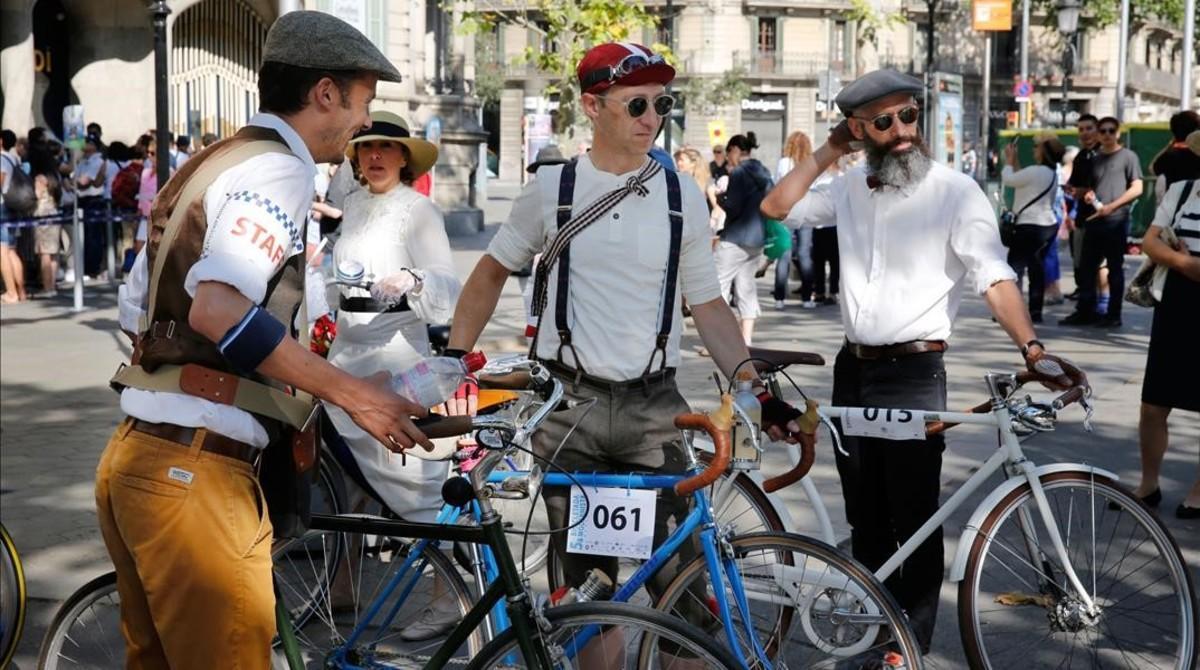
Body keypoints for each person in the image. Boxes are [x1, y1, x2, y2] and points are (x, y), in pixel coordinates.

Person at [97, 12, 425, 668]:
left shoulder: (216, 160)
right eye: (363, 104)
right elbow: (218, 310)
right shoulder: (280, 169)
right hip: (197, 474)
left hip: (140, 459)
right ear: (325, 94)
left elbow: (138, 303)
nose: (365, 123)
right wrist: (354, 394)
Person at [445, 41, 810, 617]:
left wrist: (752, 387)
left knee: (684, 592)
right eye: (637, 106)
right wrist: (455, 357)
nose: (653, 120)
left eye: (662, 105)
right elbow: (490, 272)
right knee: (588, 596)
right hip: (572, 410)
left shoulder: (680, 195)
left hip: (653, 411)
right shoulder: (551, 190)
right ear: (593, 107)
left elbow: (710, 304)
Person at [761, 68, 1081, 661]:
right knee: (866, 516)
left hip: (913, 373)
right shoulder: (852, 185)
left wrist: (1032, 349)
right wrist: (830, 149)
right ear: (859, 129)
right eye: (883, 122)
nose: (903, 130)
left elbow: (993, 275)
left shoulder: (956, 192)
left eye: (909, 115)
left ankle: (906, 646)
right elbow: (777, 206)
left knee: (916, 516)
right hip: (852, 371)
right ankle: (874, 621)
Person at [326, 110, 456, 521]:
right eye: (367, 147)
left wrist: (413, 278)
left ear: (403, 157)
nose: (375, 156)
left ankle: (444, 582)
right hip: (344, 358)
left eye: (386, 147)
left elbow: (449, 286)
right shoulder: (353, 204)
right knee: (342, 485)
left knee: (417, 483)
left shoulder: (419, 210)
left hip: (396, 358)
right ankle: (343, 586)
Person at [1131, 130, 1200, 519]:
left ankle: (1199, 491)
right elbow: (1151, 242)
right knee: (1153, 404)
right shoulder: (1185, 190)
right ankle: (1148, 484)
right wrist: (1186, 264)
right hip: (1175, 306)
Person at [1060, 117, 1143, 328]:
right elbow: (1087, 189)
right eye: (1103, 131)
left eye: (1111, 130)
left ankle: (1113, 314)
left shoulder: (1128, 156)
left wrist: (1113, 206)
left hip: (1116, 221)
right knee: (1086, 268)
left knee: (1114, 268)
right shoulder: (1093, 159)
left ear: (1118, 133)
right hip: (1093, 221)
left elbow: (1137, 188)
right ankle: (1087, 310)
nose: (1106, 135)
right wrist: (1084, 194)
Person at [1001, 135, 1066, 323]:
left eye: (1036, 146)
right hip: (1047, 225)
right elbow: (1023, 178)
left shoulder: (1036, 172)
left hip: (1028, 226)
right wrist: (1016, 162)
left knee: (1015, 268)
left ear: (1044, 151)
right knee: (1037, 268)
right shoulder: (1051, 173)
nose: (1033, 149)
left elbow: (1009, 179)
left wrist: (1009, 161)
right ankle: (1035, 312)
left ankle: (1013, 311)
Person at [715, 132, 772, 344]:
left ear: (735, 151)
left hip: (735, 237)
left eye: (729, 153)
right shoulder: (763, 171)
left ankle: (720, 340)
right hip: (757, 238)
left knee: (719, 286)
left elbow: (733, 206)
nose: (729, 158)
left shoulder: (739, 172)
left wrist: (719, 198)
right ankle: (745, 340)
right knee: (746, 288)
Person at [773, 130, 813, 310]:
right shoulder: (811, 163)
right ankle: (806, 298)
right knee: (805, 255)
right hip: (806, 212)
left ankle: (780, 298)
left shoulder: (784, 163)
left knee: (784, 256)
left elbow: (776, 186)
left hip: (786, 211)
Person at [28, 141, 63, 298]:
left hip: (42, 215)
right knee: (53, 252)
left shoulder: (40, 178)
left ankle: (47, 287)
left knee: (44, 254)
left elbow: (36, 195)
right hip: (54, 213)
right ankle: (53, 285)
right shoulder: (54, 174)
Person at [76, 133, 109, 278]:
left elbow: (83, 182)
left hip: (93, 200)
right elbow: (75, 179)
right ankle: (85, 266)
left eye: (87, 142)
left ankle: (92, 268)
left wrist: (73, 182)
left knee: (93, 236)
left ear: (94, 146)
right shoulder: (83, 161)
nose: (84, 145)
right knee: (84, 236)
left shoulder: (97, 161)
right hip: (82, 200)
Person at [1, 128, 27, 303]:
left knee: (2, 251)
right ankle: (21, 291)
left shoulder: (1, 159)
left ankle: (11, 292)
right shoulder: (13, 158)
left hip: (2, 206)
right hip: (12, 206)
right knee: (11, 251)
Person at [1150, 110, 1200, 197]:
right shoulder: (1197, 154)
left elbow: (1152, 168)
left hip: (1176, 206)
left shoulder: (1168, 157)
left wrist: (1170, 144)